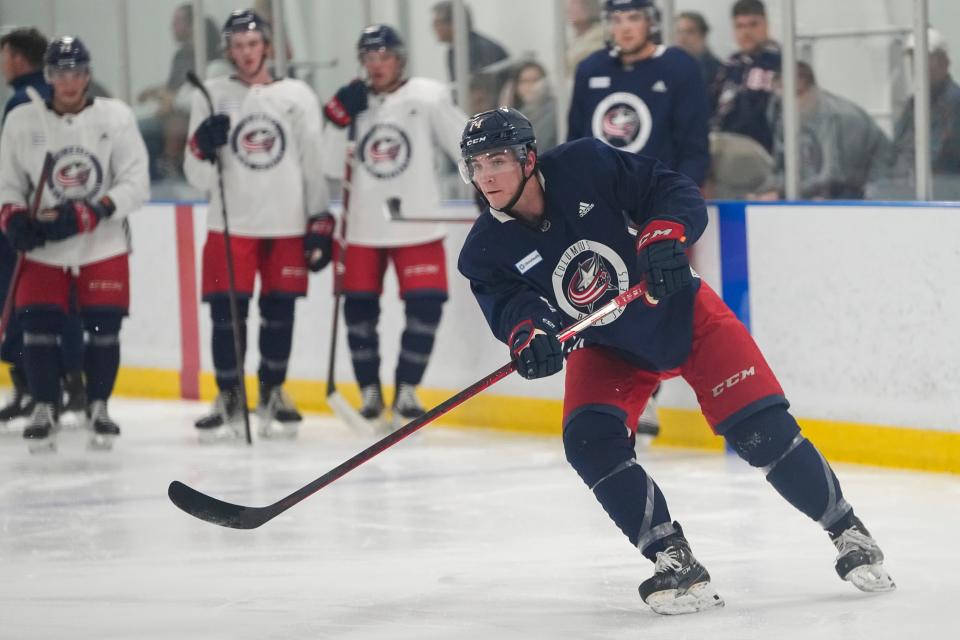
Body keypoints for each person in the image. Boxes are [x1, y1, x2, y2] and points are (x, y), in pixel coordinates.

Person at [457, 107, 895, 614]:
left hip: (682, 315)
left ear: (528, 158)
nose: (486, 176)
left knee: (761, 432)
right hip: (609, 347)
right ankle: (673, 558)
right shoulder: (485, 250)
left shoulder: (585, 165)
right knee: (588, 440)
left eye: (496, 160)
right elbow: (513, 306)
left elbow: (670, 190)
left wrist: (664, 234)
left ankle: (848, 530)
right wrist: (529, 336)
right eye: (476, 165)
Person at [183, 9, 331, 441]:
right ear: (228, 51)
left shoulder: (298, 95)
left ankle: (272, 389)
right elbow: (197, 176)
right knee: (227, 315)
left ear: (265, 46)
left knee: (279, 314)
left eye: (252, 45)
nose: (246, 54)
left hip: (287, 223)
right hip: (231, 224)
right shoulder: (208, 95)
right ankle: (229, 394)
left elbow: (312, 162)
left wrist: (319, 217)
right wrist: (200, 147)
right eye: (237, 46)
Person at [0, 36, 149, 452]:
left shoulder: (115, 116)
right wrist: (12, 216)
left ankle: (98, 406)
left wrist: (93, 210)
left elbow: (137, 183)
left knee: (104, 327)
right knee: (38, 328)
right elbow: (8, 184)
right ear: (48, 76)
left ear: (88, 75)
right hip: (45, 246)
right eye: (60, 73)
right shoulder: (22, 122)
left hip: (102, 244)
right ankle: (45, 406)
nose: (69, 82)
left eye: (77, 72)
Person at [321, 25, 467, 431]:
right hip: (363, 227)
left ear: (399, 59)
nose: (377, 65)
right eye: (369, 58)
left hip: (417, 222)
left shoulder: (427, 95)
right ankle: (369, 391)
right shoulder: (353, 101)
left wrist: (485, 185)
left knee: (426, 307)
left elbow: (465, 141)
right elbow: (331, 168)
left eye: (384, 56)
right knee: (359, 314)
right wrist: (336, 120)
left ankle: (407, 389)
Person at [0, 28, 87, 428]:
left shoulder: (23, 102)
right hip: (71, 220)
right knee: (63, 304)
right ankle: (72, 383)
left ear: (18, 58)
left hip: (32, 222)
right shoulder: (57, 98)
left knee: (25, 305)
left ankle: (34, 388)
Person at [567, 0, 710, 188]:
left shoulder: (679, 67)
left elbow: (693, 147)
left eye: (634, 18)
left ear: (651, 21)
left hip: (657, 194)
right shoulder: (591, 68)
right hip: (600, 194)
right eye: (616, 20)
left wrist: (679, 196)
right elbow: (575, 141)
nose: (625, 28)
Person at [753, 61, 892, 200]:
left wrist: (781, 194)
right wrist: (761, 191)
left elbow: (836, 177)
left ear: (811, 90)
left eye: (794, 96)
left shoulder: (838, 117)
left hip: (871, 190)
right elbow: (779, 168)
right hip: (831, 189)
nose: (787, 105)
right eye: (781, 98)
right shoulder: (784, 114)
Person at [137, 3, 223, 180]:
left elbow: (193, 92)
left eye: (177, 22)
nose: (172, 27)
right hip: (173, 111)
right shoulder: (180, 55)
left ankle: (171, 167)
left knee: (170, 124)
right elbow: (173, 88)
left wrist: (170, 100)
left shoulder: (208, 57)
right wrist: (154, 92)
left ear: (191, 26)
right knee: (138, 127)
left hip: (190, 113)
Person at [891, 28, 960, 188]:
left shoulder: (955, 102)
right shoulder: (915, 102)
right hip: (915, 188)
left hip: (946, 190)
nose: (919, 66)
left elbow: (938, 155)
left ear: (945, 62)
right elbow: (898, 146)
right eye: (914, 59)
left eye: (927, 58)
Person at [712, 0, 781, 153]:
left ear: (766, 25)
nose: (746, 32)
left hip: (765, 153)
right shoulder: (729, 66)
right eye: (740, 26)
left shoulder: (781, 64)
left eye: (753, 25)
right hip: (726, 151)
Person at [431, 0, 509, 109]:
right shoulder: (454, 51)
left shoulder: (481, 49)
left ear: (454, 24)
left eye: (437, 23)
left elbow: (485, 94)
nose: (433, 28)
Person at [500, 61, 558, 151]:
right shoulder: (519, 114)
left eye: (536, 80)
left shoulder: (555, 112)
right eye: (525, 81)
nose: (530, 86)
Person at [674, 11, 723, 105]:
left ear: (703, 35)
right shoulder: (671, 67)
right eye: (679, 32)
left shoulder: (718, 71)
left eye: (689, 32)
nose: (682, 38)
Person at [565, 0, 605, 78]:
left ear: (590, 7)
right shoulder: (574, 40)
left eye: (574, 3)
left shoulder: (600, 37)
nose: (568, 9)